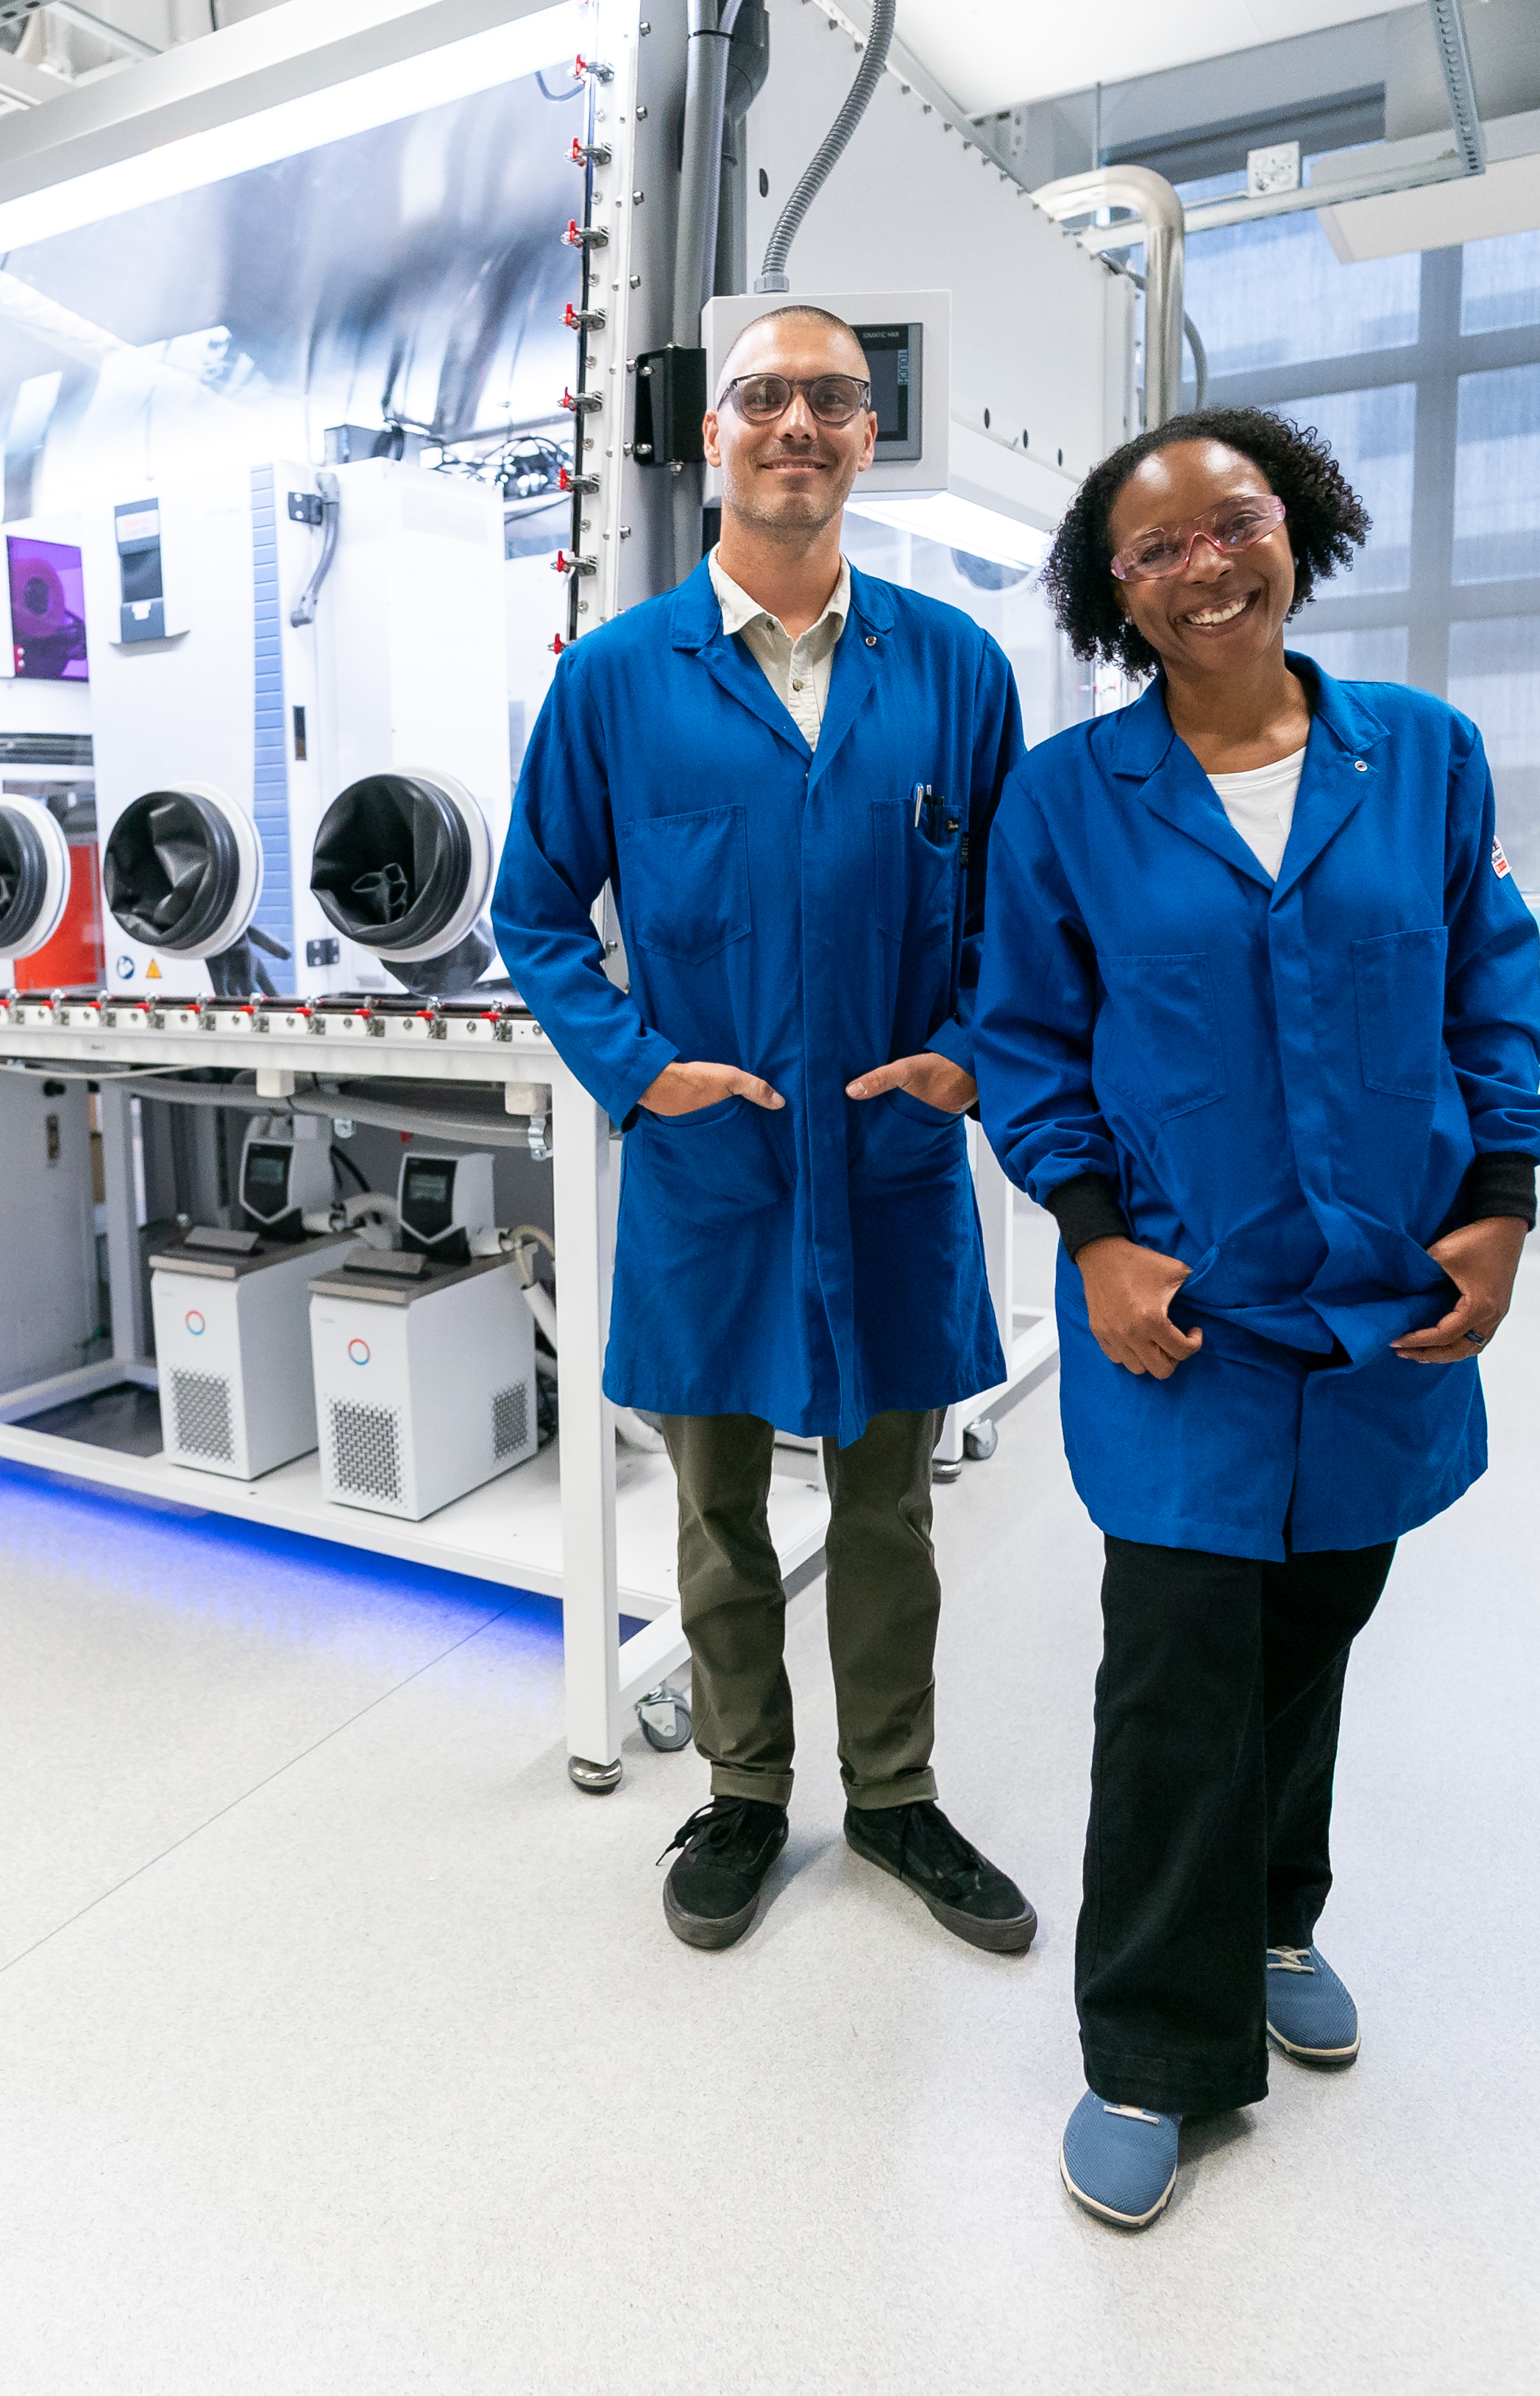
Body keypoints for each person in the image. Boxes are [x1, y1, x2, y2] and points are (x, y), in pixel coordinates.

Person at [965, 406, 1540, 2230]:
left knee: (1312, 1640)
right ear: (1115, 599)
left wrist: (1503, 1203)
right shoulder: (1071, 799)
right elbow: (1026, 1040)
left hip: (1384, 1314)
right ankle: (1153, 2043)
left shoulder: (1428, 760)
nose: (1208, 565)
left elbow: (1487, 993)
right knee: (1174, 1684)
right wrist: (1092, 1239)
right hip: (1185, 1319)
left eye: (1236, 524)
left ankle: (1278, 1914)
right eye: (1158, 551)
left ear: (1299, 528)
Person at [492, 303, 1035, 1957]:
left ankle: (894, 1793)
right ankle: (741, 1789)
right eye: (763, 399)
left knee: (891, 1502)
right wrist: (636, 1065)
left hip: (885, 1169)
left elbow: (1020, 914)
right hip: (713, 1176)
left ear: (870, 435)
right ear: (711, 434)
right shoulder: (615, 678)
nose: (796, 424)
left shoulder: (953, 667)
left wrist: (962, 1056)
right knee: (717, 1506)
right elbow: (532, 913)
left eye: (832, 399)